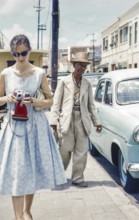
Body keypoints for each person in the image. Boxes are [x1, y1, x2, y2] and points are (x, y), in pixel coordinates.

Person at [0, 34, 67, 220]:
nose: (20, 57)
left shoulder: (39, 73)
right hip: (14, 128)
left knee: (30, 169)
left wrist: (34, 101)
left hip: (35, 127)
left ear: (29, 51)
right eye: (16, 54)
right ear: (13, 54)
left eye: (24, 53)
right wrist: (6, 98)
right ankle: (19, 216)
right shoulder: (5, 74)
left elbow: (50, 102)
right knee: (17, 170)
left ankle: (27, 210)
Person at [50, 52, 102, 188]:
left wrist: (97, 122)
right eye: (80, 64)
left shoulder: (87, 84)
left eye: (84, 65)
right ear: (74, 65)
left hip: (82, 119)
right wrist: (54, 121)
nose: (82, 68)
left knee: (81, 151)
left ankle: (78, 178)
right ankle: (59, 175)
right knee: (65, 150)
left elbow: (91, 105)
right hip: (67, 119)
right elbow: (56, 103)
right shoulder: (64, 82)